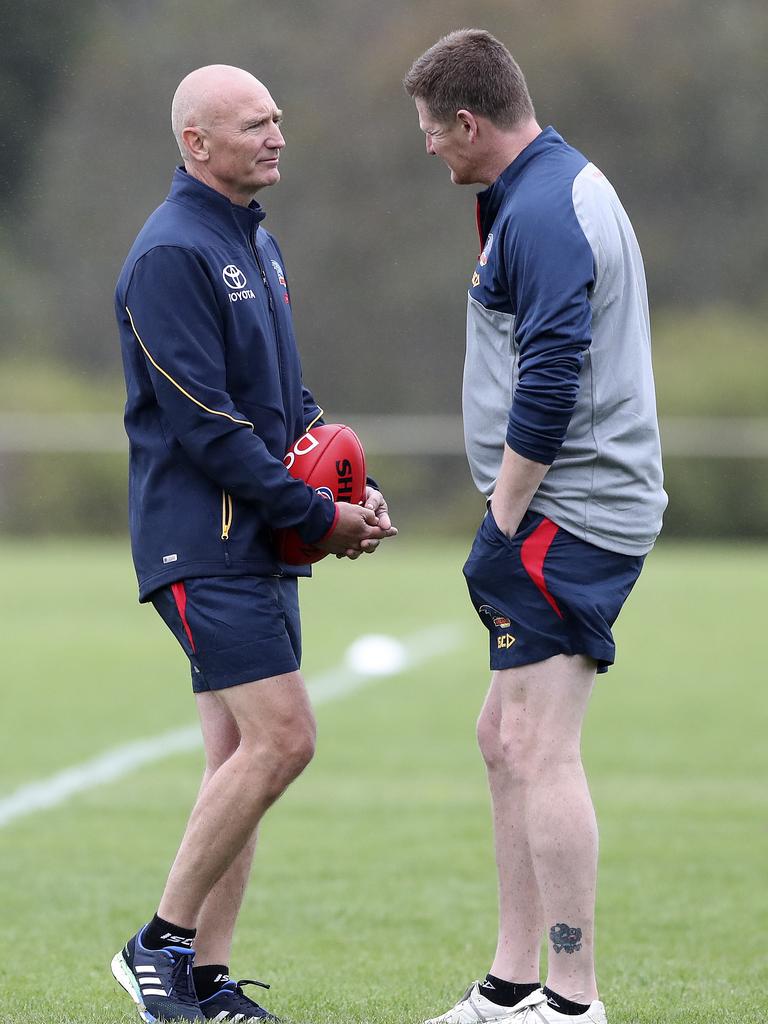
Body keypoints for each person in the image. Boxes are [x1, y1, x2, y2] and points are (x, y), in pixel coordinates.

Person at [111, 64, 397, 1024]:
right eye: (253, 123)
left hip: (263, 544)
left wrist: (351, 486)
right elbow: (207, 423)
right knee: (285, 739)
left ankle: (205, 980)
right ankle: (158, 945)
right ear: (197, 142)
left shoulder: (256, 244)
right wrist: (318, 519)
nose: (278, 135)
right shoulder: (170, 254)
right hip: (207, 546)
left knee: (238, 757)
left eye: (279, 116)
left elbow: (286, 406)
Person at [404, 30, 666, 1024]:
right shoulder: (538, 189)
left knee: (539, 743)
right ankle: (512, 987)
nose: (428, 148)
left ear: (469, 122)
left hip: (573, 508)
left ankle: (570, 1001)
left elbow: (553, 376)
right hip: (570, 503)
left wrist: (501, 518)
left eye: (432, 132)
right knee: (500, 735)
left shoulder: (547, 211)